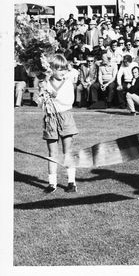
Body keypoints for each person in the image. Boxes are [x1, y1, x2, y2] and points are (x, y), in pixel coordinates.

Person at [39, 54, 79, 193]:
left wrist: (55, 95)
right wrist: (43, 93)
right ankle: (52, 184)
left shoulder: (67, 82)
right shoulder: (45, 83)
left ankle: (71, 182)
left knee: (67, 152)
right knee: (52, 153)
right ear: (51, 69)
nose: (62, 72)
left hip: (65, 117)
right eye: (59, 69)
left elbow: (70, 101)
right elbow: (40, 103)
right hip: (50, 119)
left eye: (64, 69)